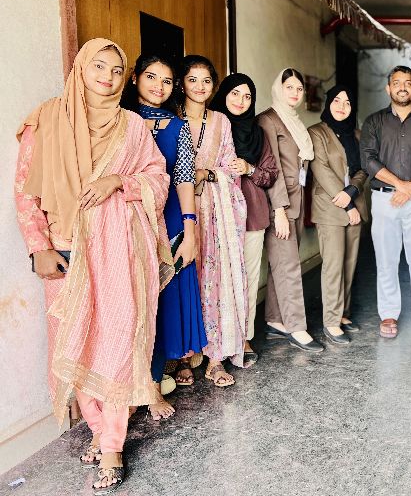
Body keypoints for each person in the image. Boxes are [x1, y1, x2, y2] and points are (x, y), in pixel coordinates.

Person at [14, 39, 173, 494]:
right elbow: (25, 190)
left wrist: (118, 181)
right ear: (80, 69)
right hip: (64, 250)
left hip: (119, 251)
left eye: (117, 70)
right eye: (98, 66)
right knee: (77, 342)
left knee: (117, 342)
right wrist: (38, 246)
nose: (107, 76)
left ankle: (112, 445)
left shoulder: (132, 126)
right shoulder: (47, 119)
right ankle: (100, 429)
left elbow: (158, 177)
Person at [121, 54, 207, 419]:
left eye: (167, 80)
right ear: (135, 78)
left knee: (162, 304)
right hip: (124, 219)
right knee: (129, 304)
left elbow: (184, 179)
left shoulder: (178, 126)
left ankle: (153, 386)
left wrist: (190, 229)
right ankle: (125, 388)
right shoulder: (119, 118)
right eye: (152, 77)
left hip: (168, 221)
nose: (159, 86)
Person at [179, 55, 248, 385]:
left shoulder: (221, 121)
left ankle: (215, 358)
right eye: (192, 79)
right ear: (182, 83)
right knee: (182, 278)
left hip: (214, 212)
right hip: (176, 208)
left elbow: (230, 168)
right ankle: (182, 356)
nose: (199, 86)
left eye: (206, 80)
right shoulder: (169, 119)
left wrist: (206, 173)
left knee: (214, 279)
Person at [361, 65, 411, 339]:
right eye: (397, 83)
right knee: (386, 260)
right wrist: (400, 185)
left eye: (408, 82)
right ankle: (388, 314)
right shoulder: (374, 122)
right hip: (385, 200)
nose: (403, 87)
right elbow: (368, 159)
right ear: (388, 88)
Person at [209, 73, 279, 366]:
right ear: (223, 94)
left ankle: (244, 337)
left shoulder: (258, 134)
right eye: (235, 94)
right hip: (217, 216)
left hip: (252, 215)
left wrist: (249, 168)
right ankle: (214, 341)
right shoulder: (211, 126)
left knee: (247, 280)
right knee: (215, 279)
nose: (241, 101)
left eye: (247, 96)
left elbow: (270, 174)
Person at [257, 68, 323, 352]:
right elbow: (270, 167)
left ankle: (275, 319)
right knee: (290, 267)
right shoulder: (268, 120)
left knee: (281, 266)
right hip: (279, 205)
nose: (295, 93)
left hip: (297, 202)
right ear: (278, 89)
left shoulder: (294, 120)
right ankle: (297, 327)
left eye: (299, 88)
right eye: (289, 87)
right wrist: (279, 210)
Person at [308, 85, 368, 345]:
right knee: (333, 265)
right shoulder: (317, 132)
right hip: (330, 207)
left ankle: (343, 313)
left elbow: (363, 168)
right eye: (337, 100)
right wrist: (347, 202)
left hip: (354, 204)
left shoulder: (357, 134)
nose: (342, 106)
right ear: (328, 103)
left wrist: (353, 191)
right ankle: (331, 322)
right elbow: (320, 168)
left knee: (349, 263)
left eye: (347, 102)